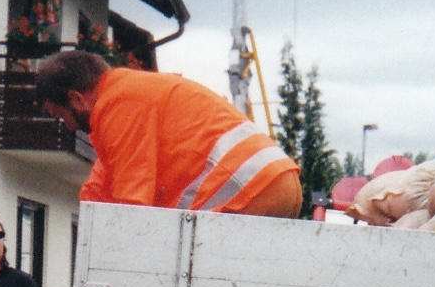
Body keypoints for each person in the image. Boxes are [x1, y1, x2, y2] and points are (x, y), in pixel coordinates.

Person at [34, 50, 304, 219]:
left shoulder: (118, 105)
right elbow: (101, 187)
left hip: (245, 190)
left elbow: (130, 208)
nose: (68, 127)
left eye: (61, 116)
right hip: (274, 182)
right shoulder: (129, 93)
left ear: (76, 99)